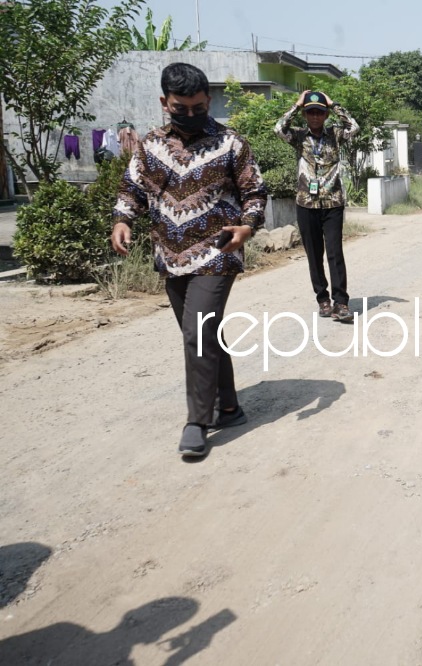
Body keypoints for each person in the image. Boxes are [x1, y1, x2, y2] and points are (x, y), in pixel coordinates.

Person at [110, 63, 266, 458]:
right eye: (182, 107)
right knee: (203, 333)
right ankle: (229, 407)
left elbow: (255, 193)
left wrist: (246, 227)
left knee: (197, 332)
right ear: (165, 103)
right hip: (169, 255)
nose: (191, 114)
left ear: (208, 101)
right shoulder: (150, 145)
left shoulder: (232, 143)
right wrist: (122, 219)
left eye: (199, 107)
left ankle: (198, 421)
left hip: (218, 253)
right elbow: (133, 188)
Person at [275, 89, 360, 322]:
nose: (315, 117)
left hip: (332, 203)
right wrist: (297, 104)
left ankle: (341, 303)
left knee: (335, 253)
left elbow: (354, 127)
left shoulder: (335, 134)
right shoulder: (299, 137)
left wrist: (333, 104)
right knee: (314, 255)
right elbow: (278, 128)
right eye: (311, 112)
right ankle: (323, 300)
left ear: (325, 115)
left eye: (319, 113)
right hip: (306, 203)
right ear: (305, 115)